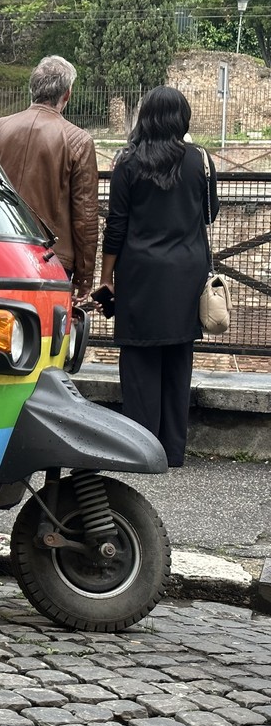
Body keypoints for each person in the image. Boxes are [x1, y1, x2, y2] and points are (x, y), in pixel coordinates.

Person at [98, 86, 219, 468]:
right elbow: (210, 213)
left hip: (141, 273)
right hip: (187, 270)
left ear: (144, 117)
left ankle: (141, 452)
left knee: (139, 360)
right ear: (182, 118)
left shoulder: (128, 162)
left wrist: (107, 276)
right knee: (178, 359)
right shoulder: (199, 160)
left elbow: (115, 226)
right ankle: (174, 451)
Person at [0, 55, 99, 301]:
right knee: (48, 332)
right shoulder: (78, 141)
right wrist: (85, 277)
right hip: (52, 260)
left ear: (32, 89)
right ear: (66, 95)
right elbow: (85, 218)